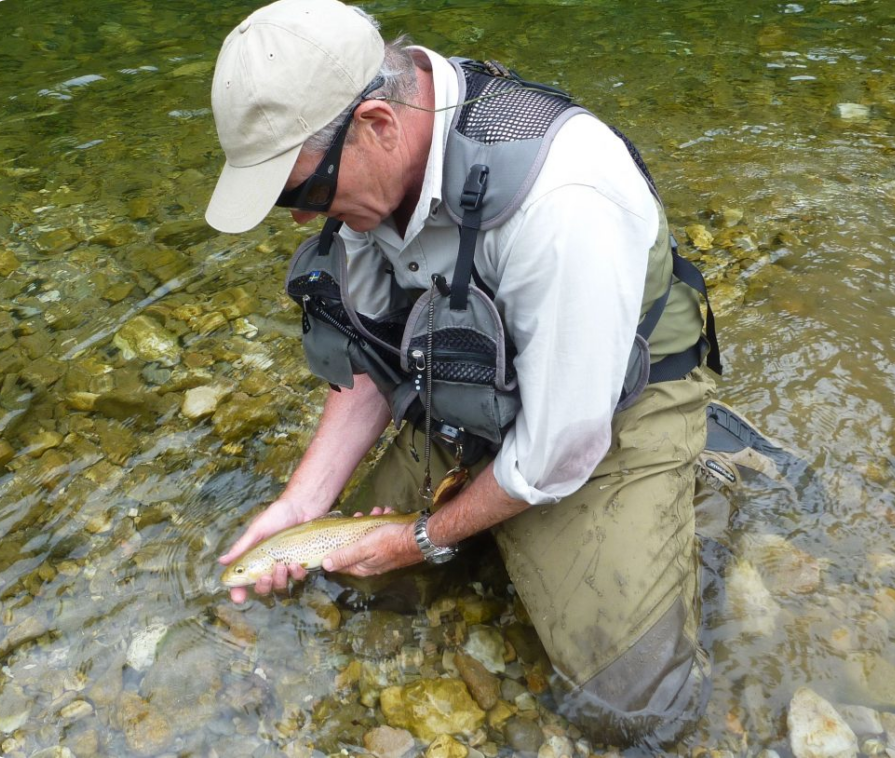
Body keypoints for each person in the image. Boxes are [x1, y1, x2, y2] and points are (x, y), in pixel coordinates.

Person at [203, 0, 787, 747]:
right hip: (474, 387)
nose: (296, 218)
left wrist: (419, 536)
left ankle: (706, 466)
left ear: (378, 124)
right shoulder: (375, 174)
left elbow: (559, 448)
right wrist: (302, 505)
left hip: (611, 409)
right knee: (357, 586)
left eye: (300, 192)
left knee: (633, 709)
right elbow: (374, 355)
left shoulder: (564, 200)